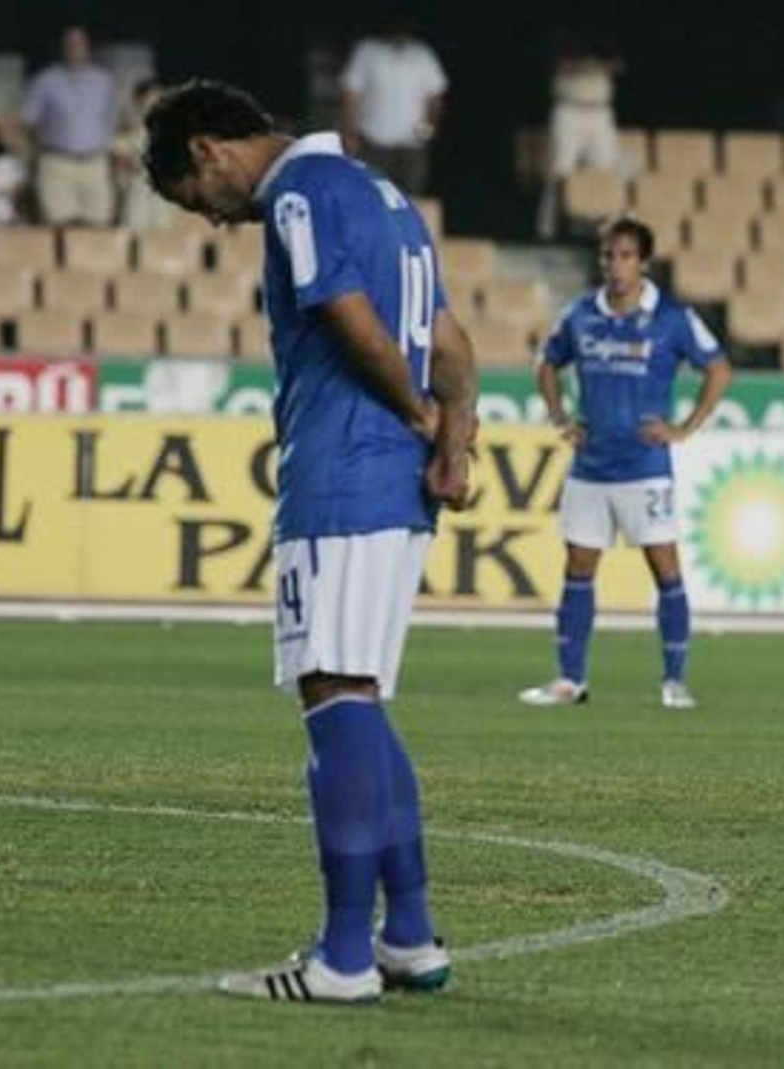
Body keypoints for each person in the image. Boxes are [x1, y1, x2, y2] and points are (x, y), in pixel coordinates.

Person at [143, 78, 479, 1002]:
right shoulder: (385, 196)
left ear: (209, 150)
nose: (215, 220)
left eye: (197, 199)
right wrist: (452, 443)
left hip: (340, 471)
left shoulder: (298, 194)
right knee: (359, 693)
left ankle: (342, 958)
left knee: (332, 693)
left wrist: (416, 414)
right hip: (397, 484)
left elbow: (345, 315)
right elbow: (449, 339)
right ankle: (407, 936)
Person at [519, 216, 732, 710]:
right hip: (590, 467)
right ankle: (570, 680)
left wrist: (684, 428)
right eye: (608, 256)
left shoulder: (672, 317)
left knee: (664, 568)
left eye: (626, 256)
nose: (615, 266)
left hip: (645, 467)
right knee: (578, 567)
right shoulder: (580, 314)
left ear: (644, 263)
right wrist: (559, 416)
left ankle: (674, 681)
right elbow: (546, 362)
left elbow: (719, 369)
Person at [339, 14, 448, 196]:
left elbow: (435, 96)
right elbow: (350, 95)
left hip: (412, 144)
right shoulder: (367, 50)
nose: (400, 33)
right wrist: (349, 133)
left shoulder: (422, 53)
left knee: (411, 197)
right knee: (372, 196)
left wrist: (431, 124)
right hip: (373, 143)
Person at [20, 25, 118, 226]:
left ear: (88, 47)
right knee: (58, 224)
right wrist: (37, 153)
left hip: (95, 163)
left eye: (80, 43)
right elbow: (27, 121)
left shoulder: (104, 81)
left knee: (99, 223)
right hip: (57, 162)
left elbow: (112, 121)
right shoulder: (44, 80)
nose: (75, 47)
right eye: (70, 43)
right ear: (62, 47)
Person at [535, 28, 625, 240]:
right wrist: (590, 66)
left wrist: (592, 66)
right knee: (560, 168)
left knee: (605, 169)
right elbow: (560, 66)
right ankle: (547, 229)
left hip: (599, 110)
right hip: (569, 109)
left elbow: (618, 64)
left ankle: (600, 228)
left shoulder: (603, 39)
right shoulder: (561, 37)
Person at [113, 79, 176, 232]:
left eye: (158, 98)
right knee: (135, 227)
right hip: (137, 184)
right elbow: (119, 157)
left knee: (163, 229)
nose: (154, 103)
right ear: (138, 100)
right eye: (149, 98)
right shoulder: (128, 126)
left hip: (163, 187)